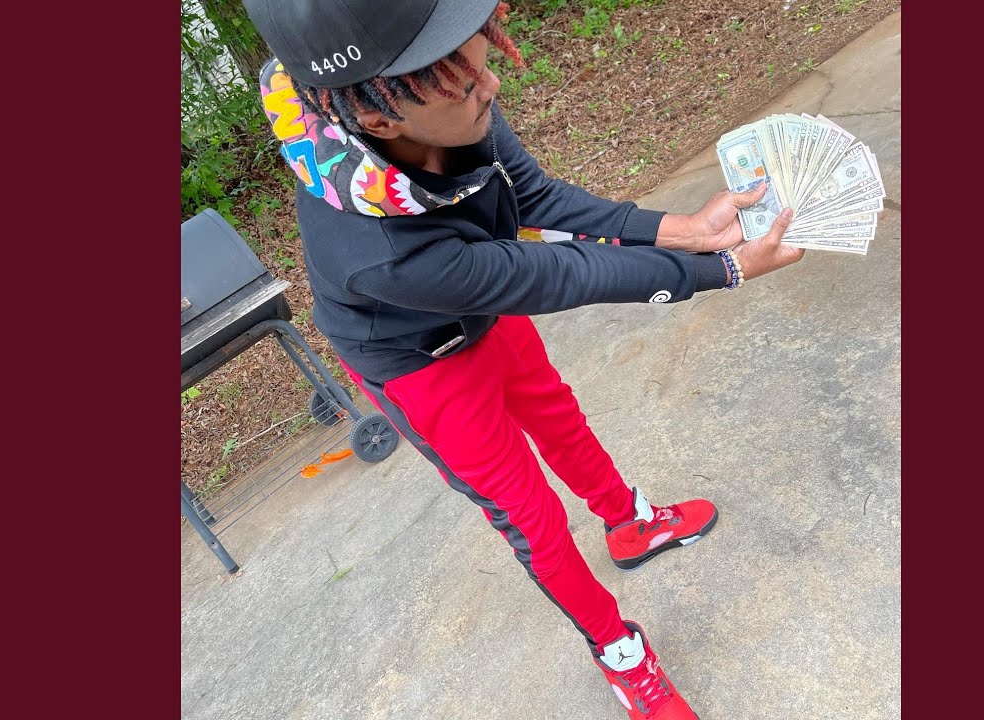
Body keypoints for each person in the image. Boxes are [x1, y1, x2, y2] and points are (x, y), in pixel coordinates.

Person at [243, 1, 804, 717]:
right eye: (468, 86)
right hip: (417, 362)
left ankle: (628, 522)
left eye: (479, 66)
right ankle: (618, 652)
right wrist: (723, 269)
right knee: (531, 518)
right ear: (380, 121)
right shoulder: (377, 252)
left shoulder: (438, 93)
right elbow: (560, 274)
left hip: (481, 301)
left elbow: (534, 193)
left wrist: (686, 230)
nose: (492, 87)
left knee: (559, 417)